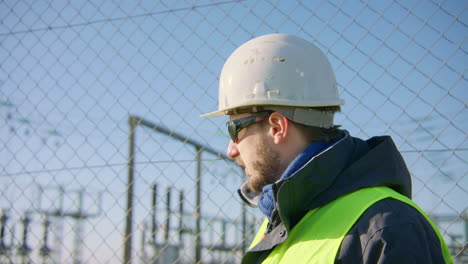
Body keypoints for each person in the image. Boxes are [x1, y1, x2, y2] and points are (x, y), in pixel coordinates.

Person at [201, 34, 453, 263]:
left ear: (277, 127)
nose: (231, 150)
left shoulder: (390, 227)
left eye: (235, 131)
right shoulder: (282, 219)